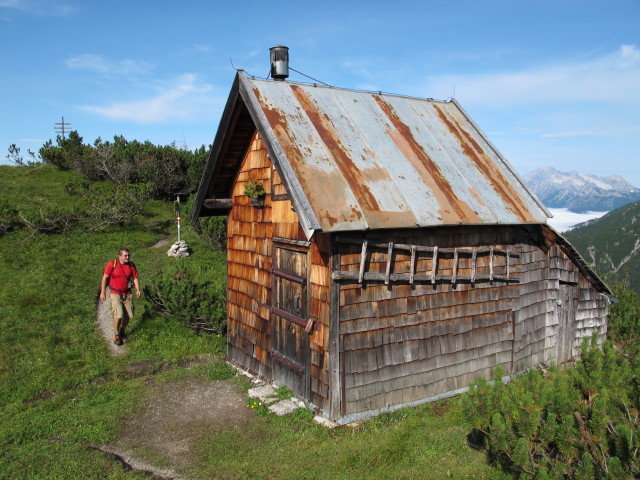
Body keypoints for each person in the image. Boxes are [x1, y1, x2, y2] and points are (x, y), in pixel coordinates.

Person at [100, 248, 140, 346]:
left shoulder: (131, 265)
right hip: (115, 293)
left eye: (128, 255)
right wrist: (103, 292)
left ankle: (122, 330)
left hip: (127, 293)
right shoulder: (112, 264)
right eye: (125, 256)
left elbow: (134, 278)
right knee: (118, 314)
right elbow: (105, 278)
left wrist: (138, 289)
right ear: (120, 256)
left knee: (128, 315)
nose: (127, 257)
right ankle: (116, 333)